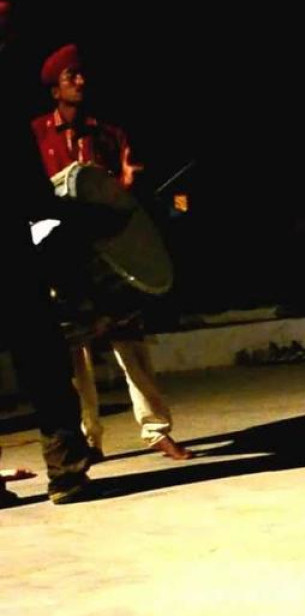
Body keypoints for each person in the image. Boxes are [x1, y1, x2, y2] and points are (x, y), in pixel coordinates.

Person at [31, 44, 191, 461]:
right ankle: (89, 437)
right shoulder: (35, 136)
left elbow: (124, 199)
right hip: (60, 252)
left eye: (82, 74)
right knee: (73, 353)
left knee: (129, 338)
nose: (81, 81)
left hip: (107, 252)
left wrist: (128, 185)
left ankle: (156, 430)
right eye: (71, 77)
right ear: (55, 90)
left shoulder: (109, 134)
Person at [1, 2, 97, 505]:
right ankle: (66, 471)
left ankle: (66, 470)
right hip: (11, 246)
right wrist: (51, 217)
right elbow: (21, 170)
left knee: (39, 354)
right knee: (40, 356)